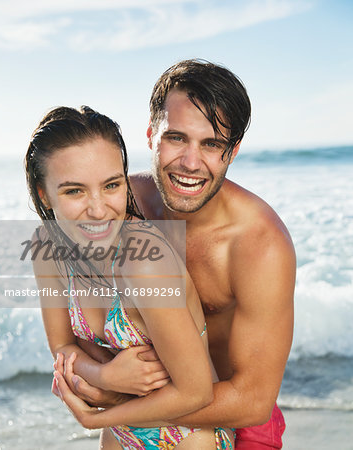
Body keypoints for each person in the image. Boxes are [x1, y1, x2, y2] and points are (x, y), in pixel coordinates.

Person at [61, 60, 296, 449]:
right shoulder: (120, 205)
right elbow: (74, 317)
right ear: (151, 135)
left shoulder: (259, 245)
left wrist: (121, 400)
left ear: (232, 152)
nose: (190, 162)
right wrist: (102, 379)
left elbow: (254, 401)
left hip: (231, 420)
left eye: (211, 144)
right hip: (139, 415)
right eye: (176, 138)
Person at [25, 105, 235, 449]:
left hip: (188, 436)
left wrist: (98, 416)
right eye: (74, 191)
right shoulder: (45, 247)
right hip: (123, 434)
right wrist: (103, 375)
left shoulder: (143, 262)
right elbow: (62, 347)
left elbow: (196, 393)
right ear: (45, 194)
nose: (97, 209)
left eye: (111, 185)